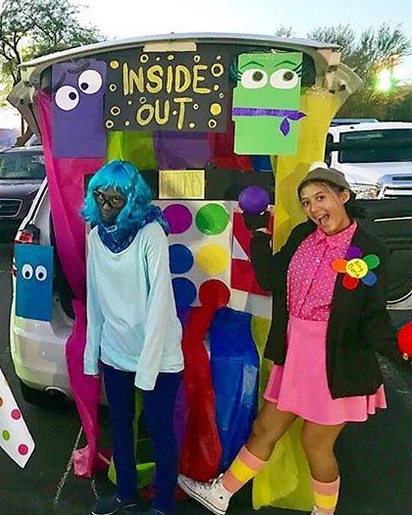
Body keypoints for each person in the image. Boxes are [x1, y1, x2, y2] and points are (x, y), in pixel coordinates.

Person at [178, 164, 399, 515]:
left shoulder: (369, 248)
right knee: (265, 427)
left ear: (344, 196)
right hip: (297, 351)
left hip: (336, 359)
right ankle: (221, 494)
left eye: (321, 197)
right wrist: (258, 234)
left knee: (315, 445)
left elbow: (373, 316)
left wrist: (399, 348)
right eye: (307, 202)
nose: (313, 208)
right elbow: (270, 278)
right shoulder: (302, 235)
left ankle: (323, 513)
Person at [82, 160, 183, 515]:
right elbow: (95, 296)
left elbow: (160, 303)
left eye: (115, 199)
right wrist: (91, 354)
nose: (106, 206)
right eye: (100, 197)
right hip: (115, 351)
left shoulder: (150, 233)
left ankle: (165, 506)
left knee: (159, 432)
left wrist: (149, 367)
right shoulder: (95, 236)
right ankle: (126, 493)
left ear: (132, 200)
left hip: (158, 354)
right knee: (120, 428)